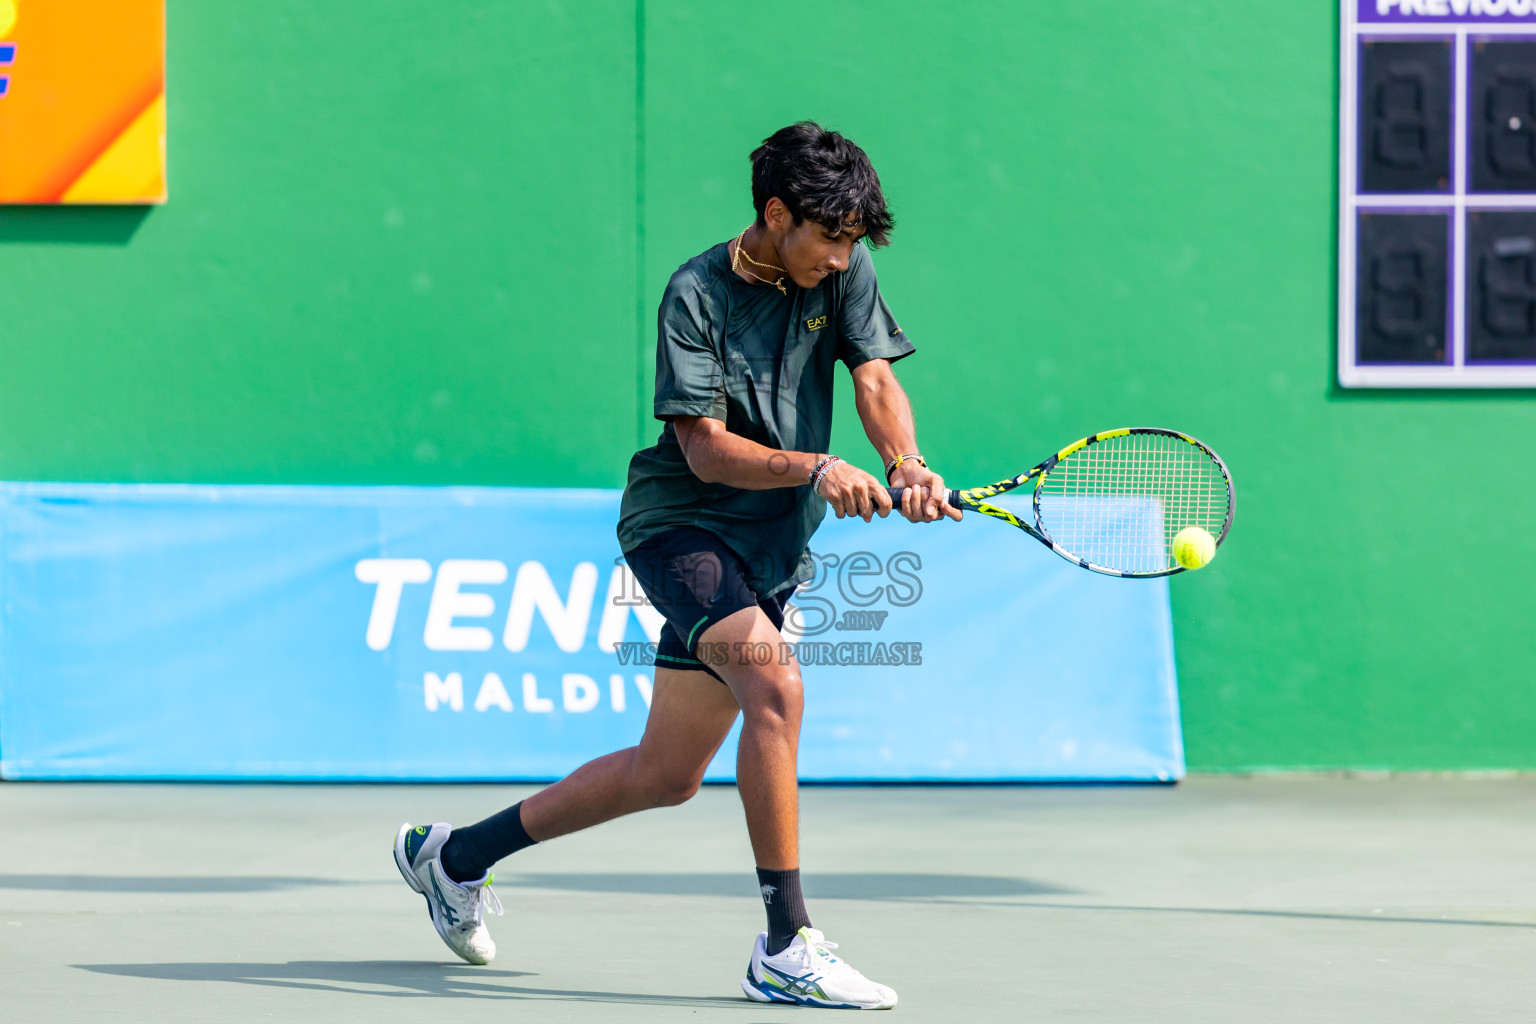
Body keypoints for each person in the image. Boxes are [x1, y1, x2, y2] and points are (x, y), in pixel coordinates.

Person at [393, 121, 959, 1010]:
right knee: (776, 689)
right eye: (831, 238)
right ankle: (786, 943)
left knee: (667, 775)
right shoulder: (695, 294)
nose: (844, 258)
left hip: (773, 542)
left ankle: (452, 856)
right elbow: (700, 450)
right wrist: (816, 466)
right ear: (777, 215)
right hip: (681, 527)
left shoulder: (842, 270)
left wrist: (906, 463)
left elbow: (875, 379)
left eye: (854, 241)